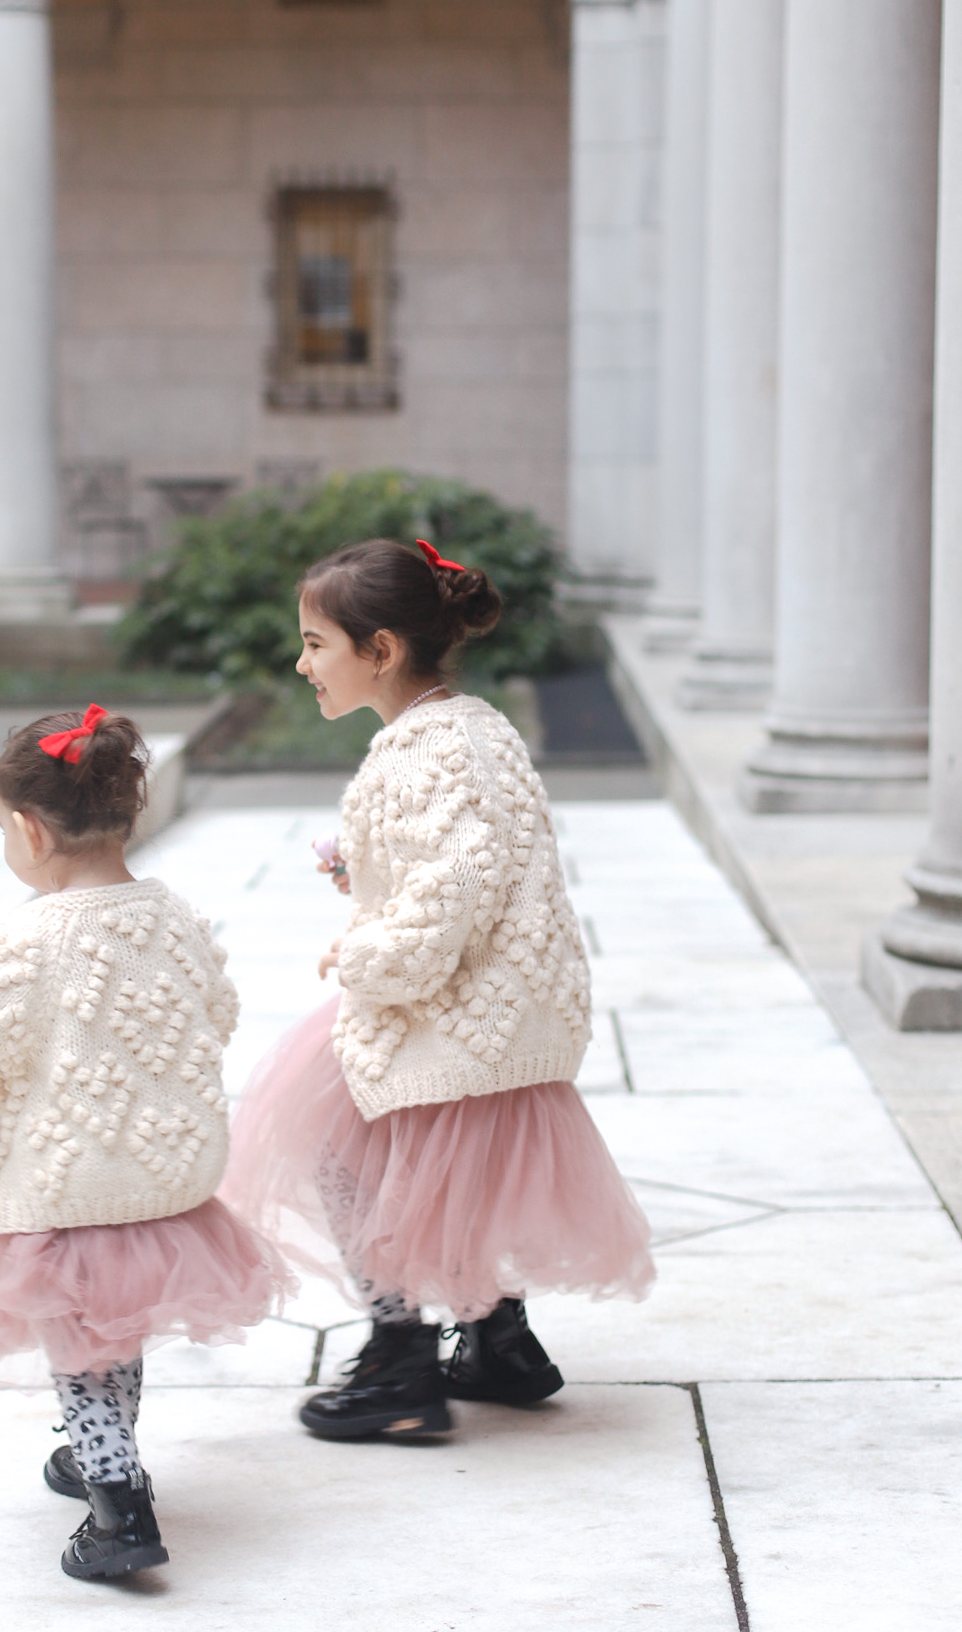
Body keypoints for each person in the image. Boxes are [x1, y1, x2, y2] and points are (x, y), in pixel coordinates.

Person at [223, 540, 654, 1440]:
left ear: (378, 650)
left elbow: (444, 900)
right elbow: (470, 864)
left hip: (454, 1014)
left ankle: (399, 1362)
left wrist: (362, 955)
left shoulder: (420, 753)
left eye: (314, 644)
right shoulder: (473, 726)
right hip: (497, 1009)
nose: (301, 665)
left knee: (342, 1153)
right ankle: (498, 1337)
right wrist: (368, 879)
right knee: (446, 1178)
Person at [0, 705, 290, 1579]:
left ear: (27, 829)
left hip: (68, 1183)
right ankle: (100, 1452)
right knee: (112, 1328)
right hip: (159, 1176)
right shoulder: (173, 915)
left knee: (79, 1349)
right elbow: (219, 1011)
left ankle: (118, 1504)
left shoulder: (29, 934)